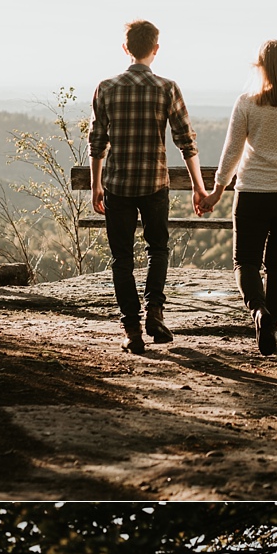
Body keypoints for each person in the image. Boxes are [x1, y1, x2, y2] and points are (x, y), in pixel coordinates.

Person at [89, 19, 208, 354]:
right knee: (157, 249)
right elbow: (187, 142)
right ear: (156, 49)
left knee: (121, 258)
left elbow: (97, 143)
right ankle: (155, 312)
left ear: (125, 48)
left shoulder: (106, 88)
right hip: (155, 184)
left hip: (118, 186)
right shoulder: (167, 88)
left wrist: (96, 187)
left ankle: (131, 329)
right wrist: (200, 187)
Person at [201, 39, 277, 355]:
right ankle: (272, 327)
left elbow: (231, 152)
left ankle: (258, 312)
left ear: (261, 68)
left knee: (246, 261)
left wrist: (217, 190)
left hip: (253, 191)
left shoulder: (247, 103)